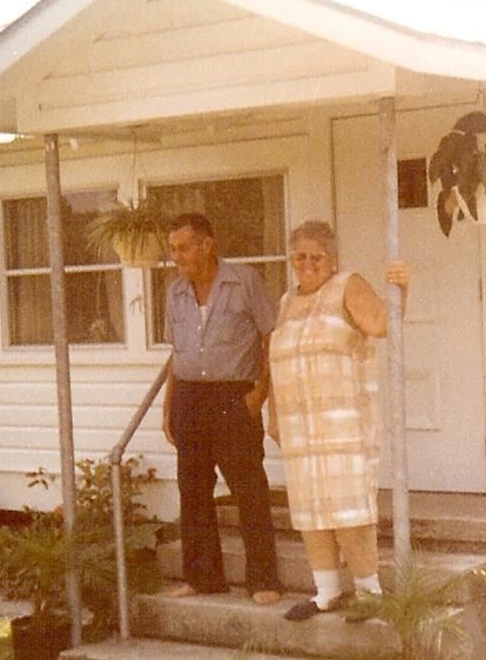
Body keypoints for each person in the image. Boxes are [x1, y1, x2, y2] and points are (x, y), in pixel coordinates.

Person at [268, 220, 409, 620]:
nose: (307, 263)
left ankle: (369, 592)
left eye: (317, 256)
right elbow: (276, 363)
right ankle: (326, 592)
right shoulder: (285, 301)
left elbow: (383, 325)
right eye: (300, 256)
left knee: (349, 511)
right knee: (310, 510)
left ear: (332, 260)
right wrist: (274, 413)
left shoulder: (348, 284)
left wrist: (402, 288)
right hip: (299, 427)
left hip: (343, 423)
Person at [162, 212, 281, 605]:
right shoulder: (175, 292)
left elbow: (271, 340)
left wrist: (258, 395)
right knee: (192, 490)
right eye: (173, 249)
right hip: (189, 399)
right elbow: (176, 353)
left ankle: (263, 580)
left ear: (206, 245)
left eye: (182, 248)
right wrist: (168, 407)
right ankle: (203, 577)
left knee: (249, 490)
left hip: (234, 397)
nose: (176, 256)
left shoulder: (244, 281)